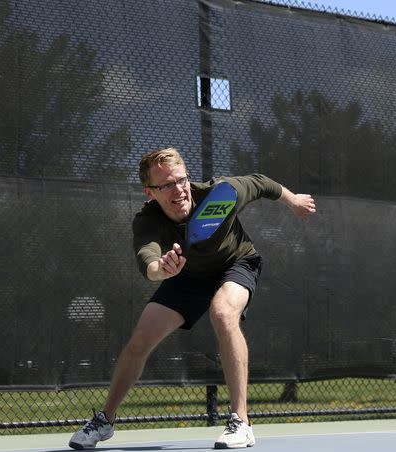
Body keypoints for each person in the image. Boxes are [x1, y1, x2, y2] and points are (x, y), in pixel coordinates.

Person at [68, 147, 316, 450]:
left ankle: (242, 421)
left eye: (182, 180)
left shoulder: (221, 194)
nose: (179, 189)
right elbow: (148, 259)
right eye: (167, 185)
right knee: (140, 340)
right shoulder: (147, 221)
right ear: (150, 192)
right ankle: (105, 420)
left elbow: (260, 182)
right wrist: (162, 268)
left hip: (236, 263)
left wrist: (293, 201)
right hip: (186, 275)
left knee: (223, 314)